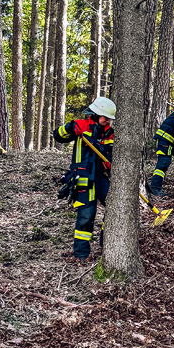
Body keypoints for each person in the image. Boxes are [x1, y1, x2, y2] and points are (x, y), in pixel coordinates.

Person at [53, 97, 116, 263]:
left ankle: (106, 245)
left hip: (102, 178)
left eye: (109, 118)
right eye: (105, 117)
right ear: (95, 114)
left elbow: (111, 155)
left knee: (114, 207)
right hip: (84, 177)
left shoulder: (110, 133)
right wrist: (70, 127)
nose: (107, 120)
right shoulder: (82, 126)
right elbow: (58, 136)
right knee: (86, 216)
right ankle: (81, 254)